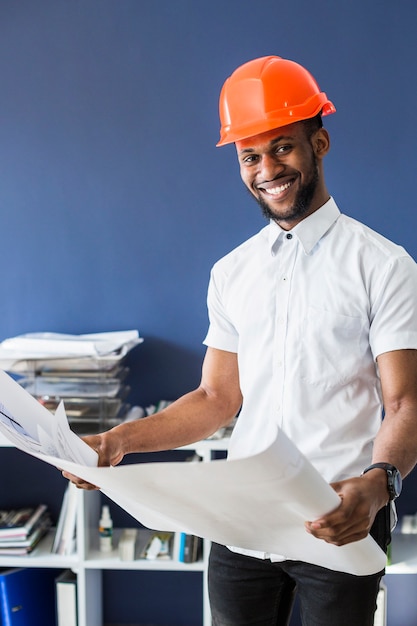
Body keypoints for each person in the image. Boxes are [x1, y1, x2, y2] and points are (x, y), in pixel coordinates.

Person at [64, 56, 417, 625]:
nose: (267, 169)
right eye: (250, 155)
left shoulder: (385, 266)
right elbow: (215, 400)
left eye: (283, 147)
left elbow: (406, 404)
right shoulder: (232, 272)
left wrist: (380, 487)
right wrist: (115, 441)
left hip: (340, 511)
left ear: (319, 143)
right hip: (243, 521)